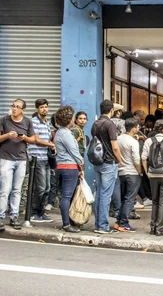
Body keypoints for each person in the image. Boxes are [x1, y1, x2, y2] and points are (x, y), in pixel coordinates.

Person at [0, 99, 36, 231]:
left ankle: (14, 216)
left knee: (17, 189)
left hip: (21, 159)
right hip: (6, 158)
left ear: (23, 110)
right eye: (13, 106)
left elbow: (33, 139)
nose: (14, 109)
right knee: (5, 189)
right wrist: (7, 135)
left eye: (17, 107)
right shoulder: (4, 120)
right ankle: (0, 216)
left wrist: (24, 138)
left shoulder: (27, 122)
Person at [91, 99, 123, 234]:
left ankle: (98, 224)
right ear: (112, 110)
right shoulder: (110, 124)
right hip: (109, 162)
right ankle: (103, 225)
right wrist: (120, 160)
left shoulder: (95, 123)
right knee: (105, 195)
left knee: (99, 193)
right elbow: (115, 146)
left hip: (98, 162)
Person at [53, 106, 84, 233]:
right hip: (69, 167)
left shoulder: (59, 132)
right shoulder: (66, 134)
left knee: (66, 196)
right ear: (69, 120)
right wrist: (81, 164)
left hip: (62, 166)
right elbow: (74, 152)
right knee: (67, 196)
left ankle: (68, 221)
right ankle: (67, 224)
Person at [29, 99, 56, 223]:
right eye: (41, 107)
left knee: (47, 187)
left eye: (46, 107)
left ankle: (41, 212)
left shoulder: (46, 123)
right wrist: (50, 144)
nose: (44, 109)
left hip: (45, 159)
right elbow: (36, 139)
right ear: (37, 109)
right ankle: (33, 212)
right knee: (40, 187)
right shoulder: (34, 122)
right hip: (37, 159)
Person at [114, 118, 143, 233]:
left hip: (121, 171)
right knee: (129, 199)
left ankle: (118, 222)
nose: (139, 128)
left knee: (123, 198)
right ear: (134, 127)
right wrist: (140, 171)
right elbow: (136, 159)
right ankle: (123, 223)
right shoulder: (133, 142)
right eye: (138, 126)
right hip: (132, 173)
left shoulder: (118, 138)